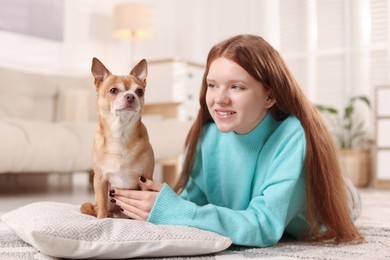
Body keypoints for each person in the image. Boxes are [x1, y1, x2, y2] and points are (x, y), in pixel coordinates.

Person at [109, 34, 364, 247]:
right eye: (212, 85)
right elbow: (191, 205)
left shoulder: (292, 135)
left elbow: (264, 226)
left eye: (237, 87)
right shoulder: (205, 135)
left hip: (333, 204)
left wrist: (178, 212)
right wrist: (157, 201)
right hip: (248, 210)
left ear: (269, 97)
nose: (220, 99)